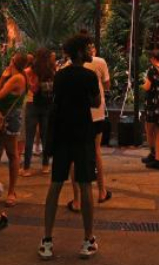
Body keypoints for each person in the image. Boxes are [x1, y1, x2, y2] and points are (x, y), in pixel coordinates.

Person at [40, 33, 101, 261]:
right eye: (87, 48)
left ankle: (46, 240)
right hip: (83, 134)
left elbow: (56, 99)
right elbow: (95, 102)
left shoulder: (60, 76)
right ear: (78, 52)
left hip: (62, 135)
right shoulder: (89, 76)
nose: (90, 51)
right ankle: (88, 239)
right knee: (85, 186)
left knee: (55, 185)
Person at [0, 53, 29, 206]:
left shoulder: (17, 78)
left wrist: (2, 80)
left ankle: (11, 191)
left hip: (9, 118)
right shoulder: (19, 76)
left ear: (13, 62)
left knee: (11, 153)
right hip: (4, 117)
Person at [81, 37, 112, 203]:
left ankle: (78, 198)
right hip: (96, 112)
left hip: (78, 114)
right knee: (96, 150)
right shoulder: (99, 62)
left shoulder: (68, 66)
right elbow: (107, 85)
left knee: (78, 152)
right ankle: (101, 191)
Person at [22, 48, 57, 177]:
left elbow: (26, 88)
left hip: (32, 103)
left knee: (30, 137)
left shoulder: (29, 71)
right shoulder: (51, 71)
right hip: (47, 105)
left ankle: (26, 168)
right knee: (45, 136)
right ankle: (45, 166)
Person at [141, 50, 159, 170]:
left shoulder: (152, 70)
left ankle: (156, 157)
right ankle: (156, 157)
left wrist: (142, 83)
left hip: (152, 102)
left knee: (149, 128)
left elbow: (147, 86)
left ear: (153, 58)